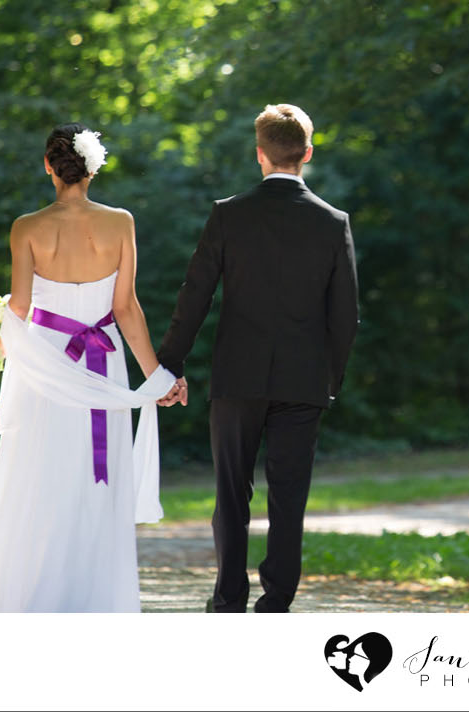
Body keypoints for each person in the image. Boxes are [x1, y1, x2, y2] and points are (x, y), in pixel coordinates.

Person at [0, 123, 182, 612]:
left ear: (49, 167)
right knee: (93, 480)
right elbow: (126, 308)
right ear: (92, 168)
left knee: (42, 474)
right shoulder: (121, 222)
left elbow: (18, 307)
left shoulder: (26, 227)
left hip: (45, 364)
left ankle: (35, 594)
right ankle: (94, 597)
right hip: (105, 365)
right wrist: (157, 378)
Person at [157, 103, 359, 612]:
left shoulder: (229, 214)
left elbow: (195, 295)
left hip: (238, 376)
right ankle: (276, 600)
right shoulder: (333, 223)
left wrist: (170, 365)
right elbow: (345, 315)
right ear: (307, 153)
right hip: (303, 380)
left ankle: (228, 596)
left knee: (231, 491)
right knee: (288, 497)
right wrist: (328, 379)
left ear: (259, 155)